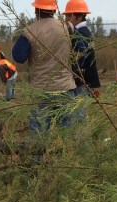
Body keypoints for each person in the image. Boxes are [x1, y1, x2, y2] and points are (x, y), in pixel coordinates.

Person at [12, 0, 77, 132]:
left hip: (41, 91)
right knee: (66, 134)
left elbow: (18, 57)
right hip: (66, 88)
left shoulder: (30, 31)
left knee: (40, 134)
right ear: (54, 10)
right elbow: (78, 51)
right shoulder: (67, 28)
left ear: (36, 10)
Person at [63, 0, 100, 97]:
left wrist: (74, 70)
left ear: (79, 17)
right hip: (88, 80)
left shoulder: (78, 34)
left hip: (82, 81)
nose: (66, 19)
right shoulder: (86, 32)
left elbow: (80, 56)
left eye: (69, 16)